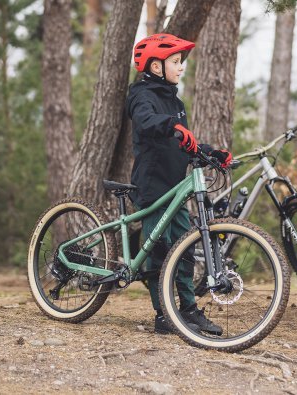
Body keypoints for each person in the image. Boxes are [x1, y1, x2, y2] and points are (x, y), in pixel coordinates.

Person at [127, 33, 230, 335]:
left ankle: (188, 310)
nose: (181, 66)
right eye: (175, 61)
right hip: (151, 187)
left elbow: (185, 142)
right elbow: (146, 121)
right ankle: (163, 314)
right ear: (156, 67)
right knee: (158, 249)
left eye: (180, 61)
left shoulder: (176, 101)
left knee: (185, 247)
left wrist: (210, 152)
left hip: (175, 188)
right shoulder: (141, 94)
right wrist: (171, 124)